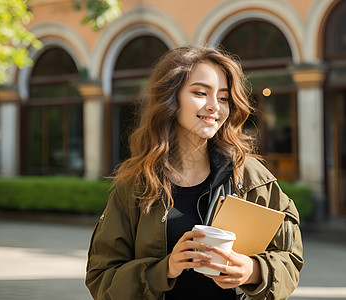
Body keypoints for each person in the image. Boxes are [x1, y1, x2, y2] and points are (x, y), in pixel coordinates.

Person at [85, 46, 303, 300]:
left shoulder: (251, 176)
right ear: (171, 98)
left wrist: (254, 271)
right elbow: (101, 279)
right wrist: (165, 268)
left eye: (223, 98)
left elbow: (290, 258)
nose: (215, 107)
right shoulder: (136, 184)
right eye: (201, 93)